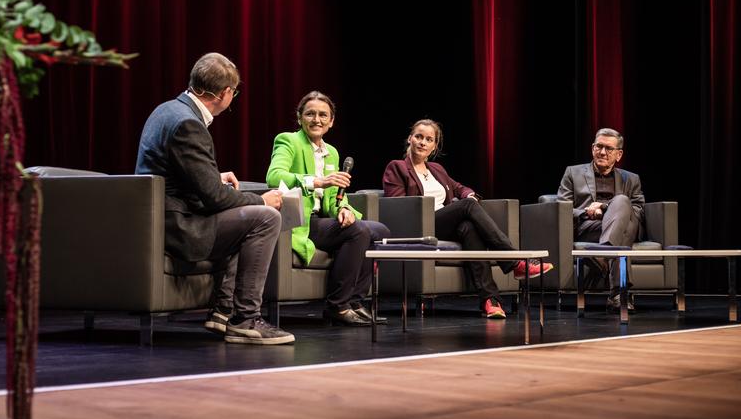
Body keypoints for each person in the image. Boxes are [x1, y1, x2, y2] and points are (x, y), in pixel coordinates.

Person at [135, 52, 294, 345]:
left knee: (242, 213)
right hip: (179, 227)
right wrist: (261, 200)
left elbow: (176, 174)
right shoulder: (188, 124)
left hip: (168, 216)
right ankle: (245, 319)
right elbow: (213, 199)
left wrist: (213, 176)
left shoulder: (167, 109)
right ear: (225, 93)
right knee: (264, 217)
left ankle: (223, 312)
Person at [382, 119, 553, 319]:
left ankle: (490, 300)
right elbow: (397, 205)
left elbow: (459, 188)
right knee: (468, 207)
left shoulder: (436, 169)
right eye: (418, 137)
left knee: (469, 228)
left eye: (429, 139)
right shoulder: (397, 167)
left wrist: (469, 194)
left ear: (434, 146)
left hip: (444, 224)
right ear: (410, 139)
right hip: (419, 224)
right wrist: (467, 202)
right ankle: (514, 262)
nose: (422, 142)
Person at [266, 91, 390, 326]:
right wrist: (316, 181)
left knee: (380, 230)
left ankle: (355, 301)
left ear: (331, 121)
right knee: (359, 231)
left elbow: (334, 197)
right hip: (300, 221)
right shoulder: (288, 141)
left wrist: (344, 208)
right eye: (310, 114)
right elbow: (274, 176)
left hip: (324, 220)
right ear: (300, 117)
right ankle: (337, 306)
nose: (317, 120)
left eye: (323, 115)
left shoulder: (331, 152)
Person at [556, 127, 644, 312]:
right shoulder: (573, 173)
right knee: (624, 229)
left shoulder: (631, 179)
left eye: (609, 149)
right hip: (588, 227)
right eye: (599, 146)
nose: (602, 152)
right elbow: (561, 208)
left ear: (619, 154)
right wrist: (586, 212)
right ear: (592, 148)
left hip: (621, 225)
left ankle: (604, 253)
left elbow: (638, 211)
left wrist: (605, 208)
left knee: (622, 201)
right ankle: (619, 294)